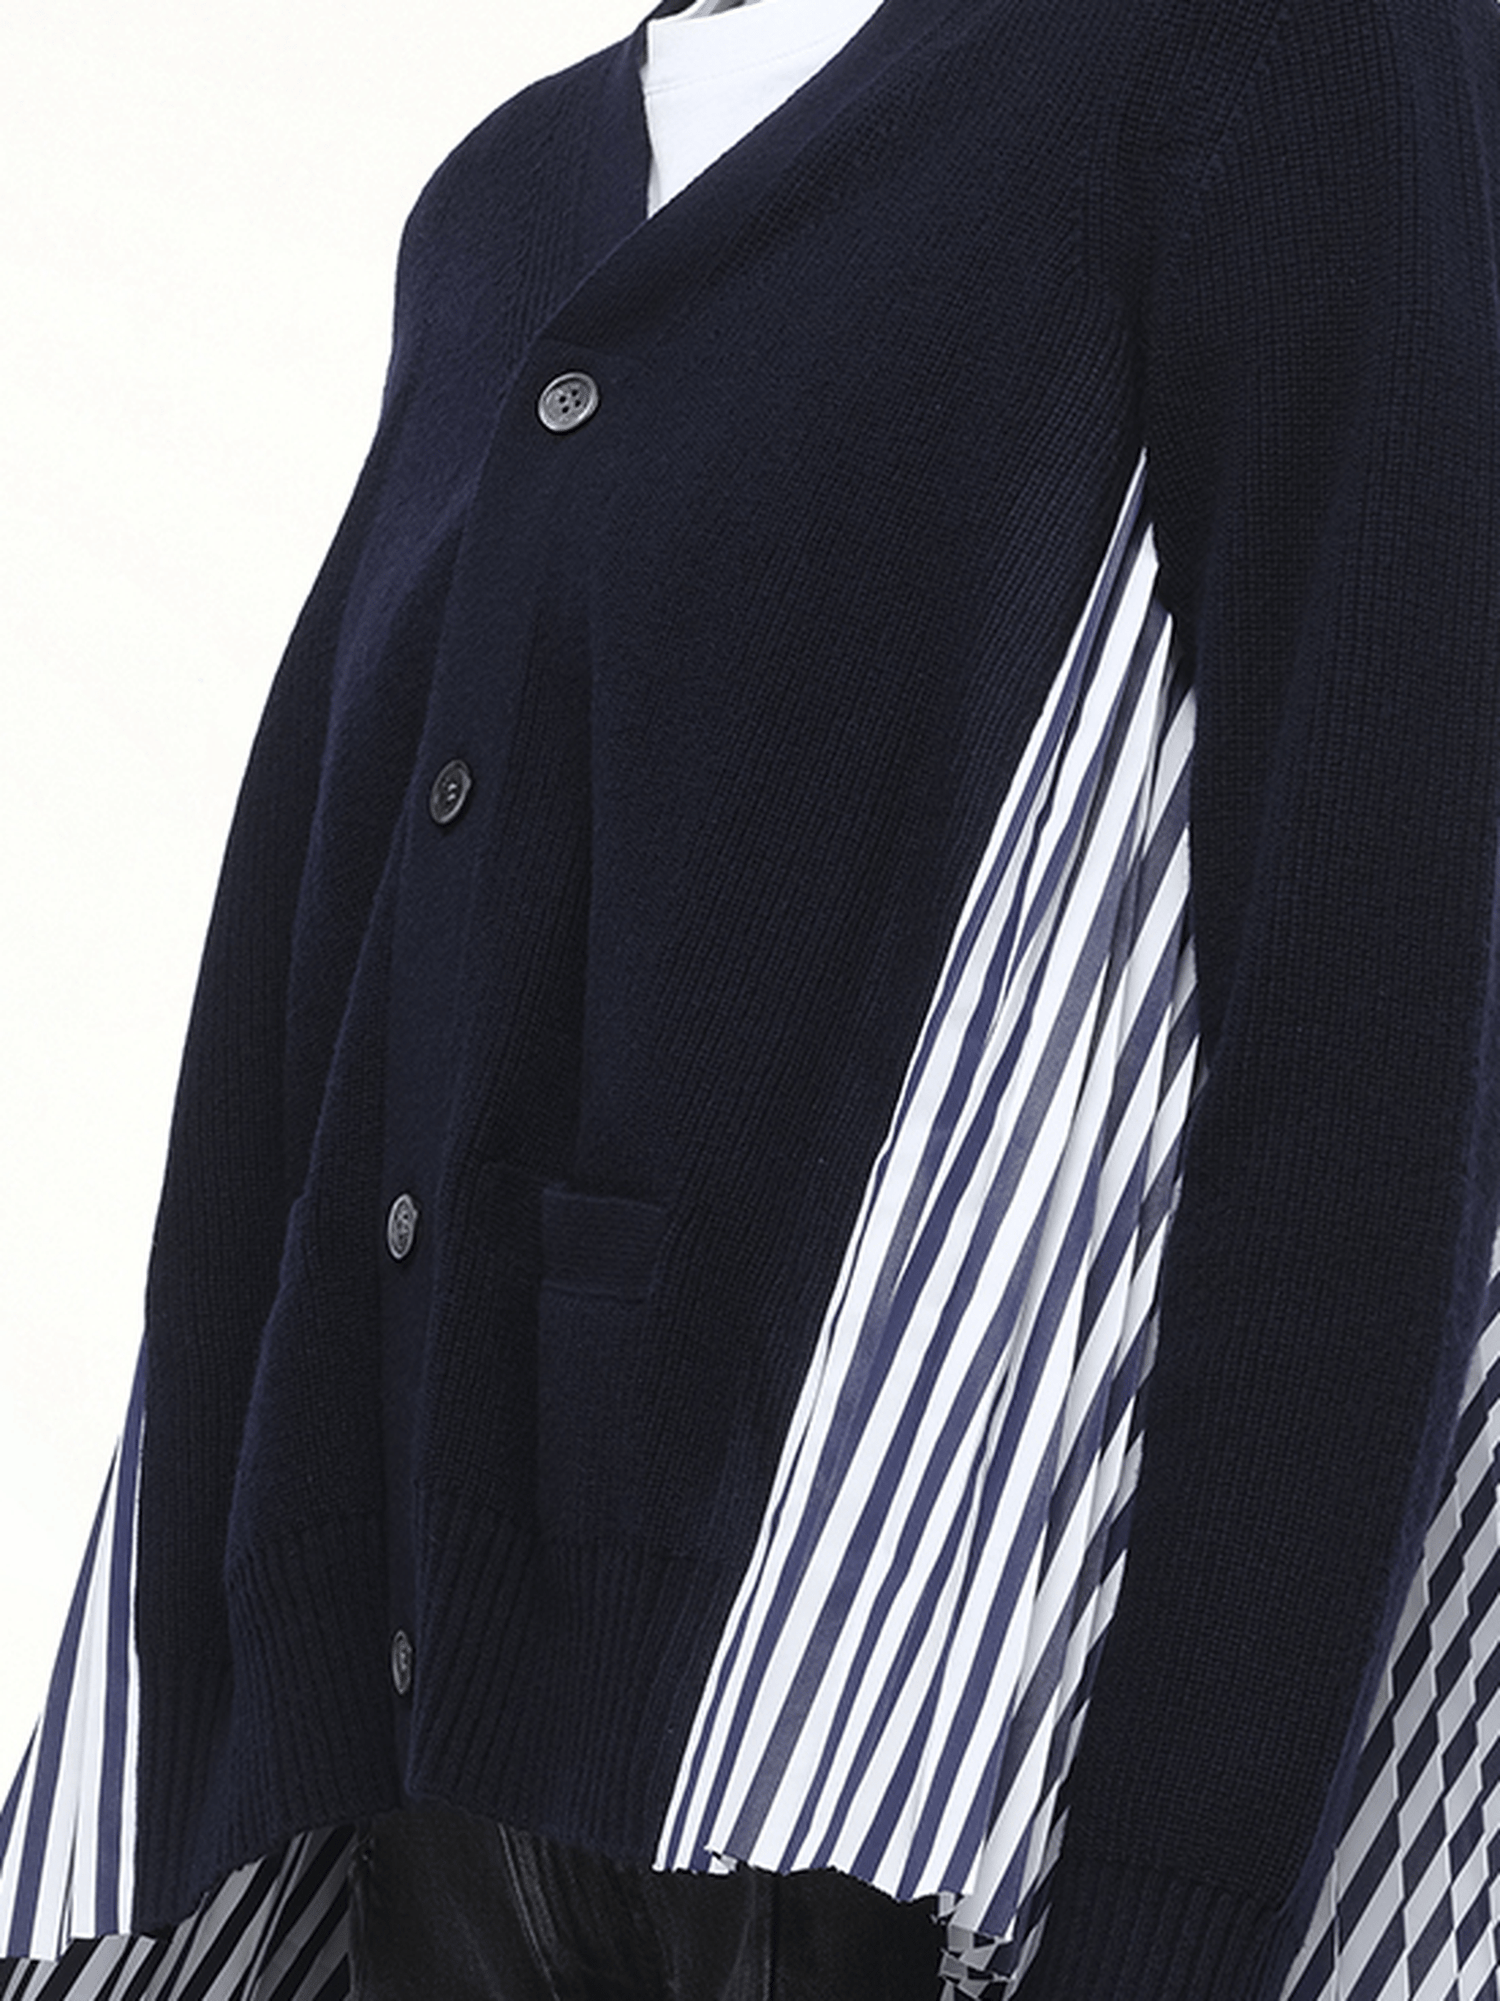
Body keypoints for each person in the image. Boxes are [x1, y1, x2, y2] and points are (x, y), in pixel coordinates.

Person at [5, 0, 1500, 1995]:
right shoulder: (506, 200)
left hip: (915, 1815)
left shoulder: (1276, 55)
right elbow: (306, 1007)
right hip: (420, 1809)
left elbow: (1378, 1043)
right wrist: (215, 1746)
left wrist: (1182, 1904)